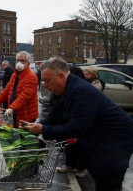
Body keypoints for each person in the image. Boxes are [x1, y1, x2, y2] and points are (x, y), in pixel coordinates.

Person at [20, 57, 133, 191]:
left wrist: (43, 130)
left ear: (61, 76)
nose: (44, 85)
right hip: (99, 140)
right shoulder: (63, 90)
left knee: (107, 181)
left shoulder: (82, 91)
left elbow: (76, 128)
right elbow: (54, 117)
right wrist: (33, 126)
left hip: (116, 141)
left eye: (47, 80)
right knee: (99, 175)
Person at [0, 51, 38, 127]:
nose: (19, 63)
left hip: (27, 115)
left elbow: (24, 97)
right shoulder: (14, 75)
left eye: (22, 61)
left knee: (25, 137)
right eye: (18, 60)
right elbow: (6, 91)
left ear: (28, 63)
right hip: (16, 112)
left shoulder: (31, 77)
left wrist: (12, 108)